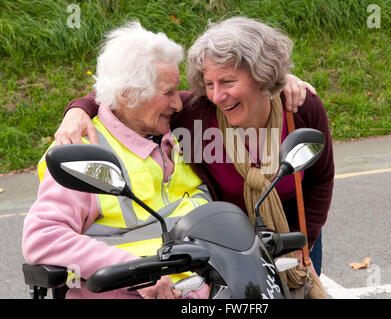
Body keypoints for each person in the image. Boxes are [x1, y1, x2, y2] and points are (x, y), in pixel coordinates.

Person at [55, 17, 334, 295]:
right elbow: (127, 96)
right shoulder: (195, 111)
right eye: (209, 83)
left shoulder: (298, 107)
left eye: (227, 81)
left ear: (263, 76)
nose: (217, 95)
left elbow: (320, 179)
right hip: (230, 245)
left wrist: (302, 244)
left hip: (294, 235)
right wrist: (78, 109)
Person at [22, 21, 212, 299]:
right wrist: (138, 273)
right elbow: (42, 236)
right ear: (127, 95)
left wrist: (289, 85)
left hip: (206, 288)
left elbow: (246, 89)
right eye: (168, 92)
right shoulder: (83, 149)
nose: (178, 103)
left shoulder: (177, 131)